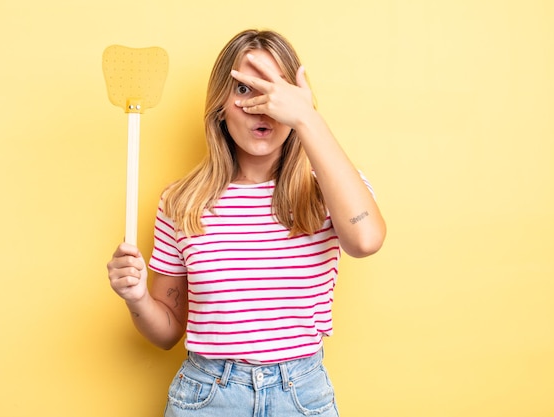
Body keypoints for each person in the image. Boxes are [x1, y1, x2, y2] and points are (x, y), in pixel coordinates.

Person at [107, 29, 386, 417]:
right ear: (220, 104)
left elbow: (366, 240)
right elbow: (168, 332)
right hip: (206, 397)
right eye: (243, 90)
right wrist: (136, 299)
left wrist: (308, 118)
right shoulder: (180, 202)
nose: (261, 106)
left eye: (275, 91)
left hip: (301, 395)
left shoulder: (329, 187)